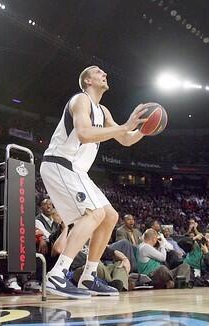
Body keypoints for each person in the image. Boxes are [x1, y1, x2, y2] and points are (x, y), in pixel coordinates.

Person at [40, 65, 148, 299]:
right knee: (93, 214)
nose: (105, 74)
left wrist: (144, 129)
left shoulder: (103, 111)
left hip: (77, 170)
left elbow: (126, 139)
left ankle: (88, 277)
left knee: (110, 216)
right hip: (60, 162)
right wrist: (126, 125)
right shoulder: (81, 100)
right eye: (98, 72)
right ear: (87, 80)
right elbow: (84, 134)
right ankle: (57, 275)